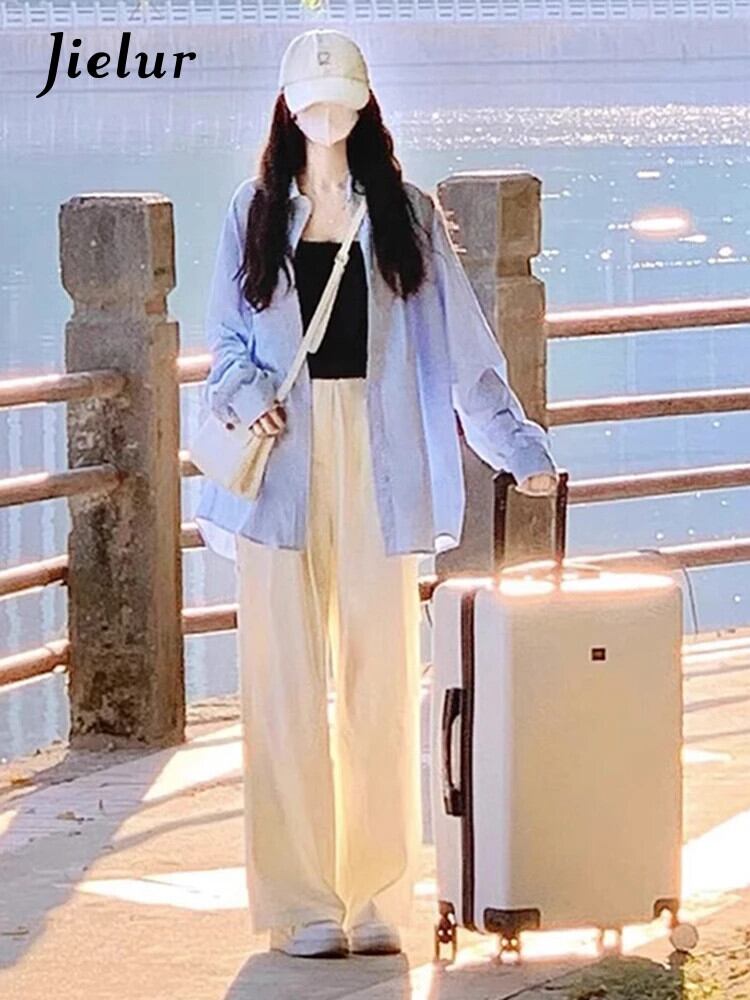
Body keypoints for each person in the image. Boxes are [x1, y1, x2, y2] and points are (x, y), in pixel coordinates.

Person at [194, 28, 559, 959]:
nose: (327, 117)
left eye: (342, 100)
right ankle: (300, 903)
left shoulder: (406, 212)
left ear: (363, 106)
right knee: (282, 688)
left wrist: (516, 447)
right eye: (312, 101)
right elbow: (224, 344)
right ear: (288, 108)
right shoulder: (252, 211)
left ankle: (378, 896)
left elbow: (462, 349)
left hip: (379, 456)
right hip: (279, 464)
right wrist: (247, 393)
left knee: (381, 681)